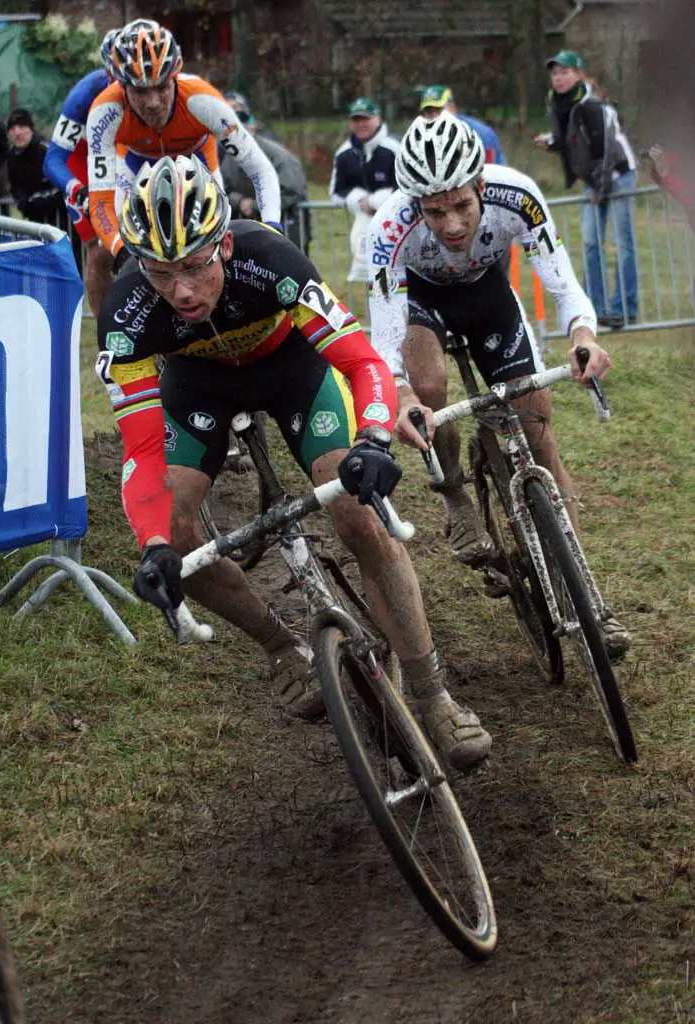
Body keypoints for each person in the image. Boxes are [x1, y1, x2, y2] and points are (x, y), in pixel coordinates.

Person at [95, 153, 492, 771]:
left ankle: (431, 692)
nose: (181, 290)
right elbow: (142, 449)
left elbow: (361, 363)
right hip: (197, 388)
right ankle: (281, 647)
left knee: (360, 512)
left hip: (291, 370)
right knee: (172, 532)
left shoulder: (269, 258)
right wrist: (151, 542)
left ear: (223, 244)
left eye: (196, 265)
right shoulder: (126, 314)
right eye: (161, 272)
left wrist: (375, 441)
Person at [367, 113, 631, 658]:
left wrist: (584, 337)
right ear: (416, 203)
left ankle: (587, 599)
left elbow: (563, 284)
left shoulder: (518, 196)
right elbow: (386, 337)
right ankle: (454, 493)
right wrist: (405, 396)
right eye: (435, 212)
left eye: (463, 205)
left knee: (540, 434)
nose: (452, 225)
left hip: (488, 297)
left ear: (481, 186)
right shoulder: (389, 228)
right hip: (422, 305)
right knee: (430, 384)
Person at [85, 19, 282, 267]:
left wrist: (273, 230)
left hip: (199, 164)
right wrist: (122, 252)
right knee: (117, 249)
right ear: (120, 85)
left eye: (161, 87)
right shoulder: (104, 111)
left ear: (175, 77)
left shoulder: (203, 101)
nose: (153, 102)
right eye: (140, 91)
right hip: (136, 166)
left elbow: (260, 170)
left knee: (215, 255)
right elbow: (100, 202)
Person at [538, 50, 638, 330]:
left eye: (565, 72)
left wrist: (600, 189)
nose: (558, 78)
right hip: (593, 178)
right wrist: (552, 143)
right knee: (591, 243)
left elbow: (605, 149)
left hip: (617, 173)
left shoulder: (591, 103)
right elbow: (569, 139)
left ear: (579, 75)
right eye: (555, 73)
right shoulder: (558, 103)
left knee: (623, 243)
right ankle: (596, 307)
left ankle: (624, 309)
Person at [44, 28, 120, 315]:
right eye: (117, 76)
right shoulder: (86, 92)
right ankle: (106, 333)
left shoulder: (152, 92)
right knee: (98, 250)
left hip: (123, 156)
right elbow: (52, 160)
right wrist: (78, 188)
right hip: (84, 161)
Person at [221, 91, 310, 253]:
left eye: (244, 122)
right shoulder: (230, 156)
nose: (241, 129)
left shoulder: (278, 155)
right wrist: (240, 201)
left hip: (288, 230)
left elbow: (292, 189)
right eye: (235, 124)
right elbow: (222, 188)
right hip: (249, 235)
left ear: (253, 125)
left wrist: (254, 205)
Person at [330, 97, 399, 282]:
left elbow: (406, 187)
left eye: (365, 119)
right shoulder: (343, 154)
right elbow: (335, 192)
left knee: (398, 276)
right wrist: (359, 201)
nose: (361, 124)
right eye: (356, 119)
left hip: (398, 224)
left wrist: (378, 201)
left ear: (378, 118)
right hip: (363, 226)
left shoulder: (394, 149)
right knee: (372, 280)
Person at [5, 109, 68, 231]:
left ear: (31, 129)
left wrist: (37, 201)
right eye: (12, 129)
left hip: (62, 221)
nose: (17, 132)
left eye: (22, 126)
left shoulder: (47, 152)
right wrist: (22, 201)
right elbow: (15, 188)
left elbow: (64, 185)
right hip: (35, 225)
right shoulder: (11, 158)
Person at [419, 85, 505, 165]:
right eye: (428, 112)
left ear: (453, 108)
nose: (434, 117)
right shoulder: (420, 136)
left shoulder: (481, 134)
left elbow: (489, 173)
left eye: (438, 110)